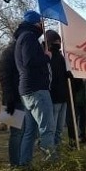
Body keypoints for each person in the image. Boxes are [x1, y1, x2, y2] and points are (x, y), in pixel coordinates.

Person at [15, 11, 56, 160]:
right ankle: (52, 164)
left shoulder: (22, 37)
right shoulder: (29, 37)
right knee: (47, 129)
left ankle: (24, 164)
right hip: (37, 89)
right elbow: (30, 61)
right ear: (36, 23)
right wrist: (46, 57)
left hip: (27, 89)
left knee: (30, 131)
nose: (43, 27)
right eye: (41, 23)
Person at [0, 39, 35, 167]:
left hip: (20, 97)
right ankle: (15, 164)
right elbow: (4, 78)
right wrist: (9, 98)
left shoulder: (15, 52)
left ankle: (22, 162)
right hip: (13, 99)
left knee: (23, 132)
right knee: (16, 133)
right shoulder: (9, 54)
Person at [45, 30, 69, 147]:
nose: (58, 43)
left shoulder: (61, 57)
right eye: (55, 41)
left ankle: (58, 147)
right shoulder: (47, 57)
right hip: (54, 97)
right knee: (53, 128)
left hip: (63, 96)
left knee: (59, 128)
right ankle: (51, 148)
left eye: (59, 41)